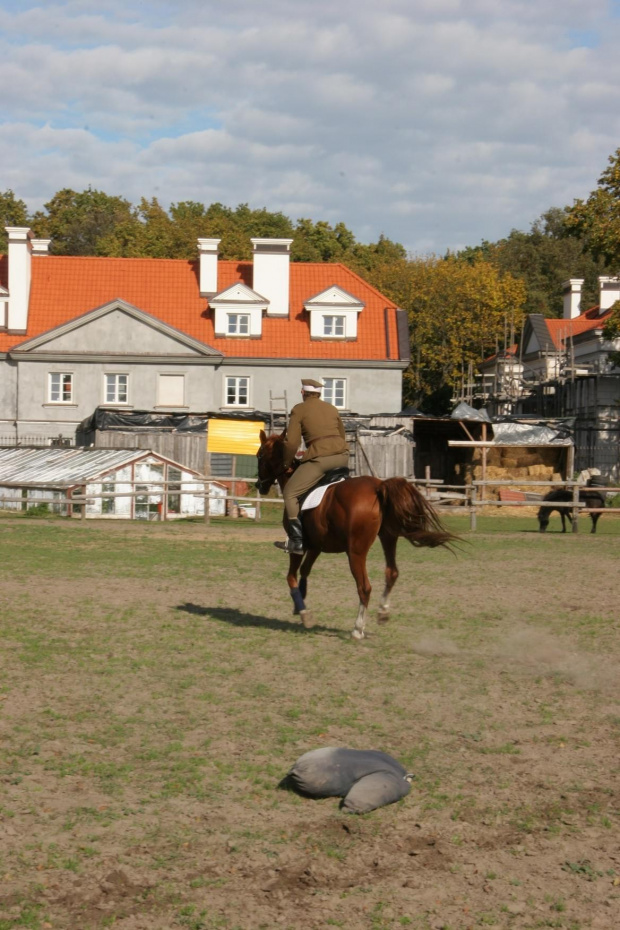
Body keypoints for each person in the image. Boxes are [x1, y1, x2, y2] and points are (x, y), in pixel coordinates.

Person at [274, 378, 349, 554]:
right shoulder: (332, 408)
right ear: (319, 393)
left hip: (321, 459)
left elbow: (291, 443)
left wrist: (286, 463)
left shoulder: (299, 409)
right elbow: (342, 435)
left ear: (302, 393)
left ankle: (297, 542)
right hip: (343, 457)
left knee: (290, 493)